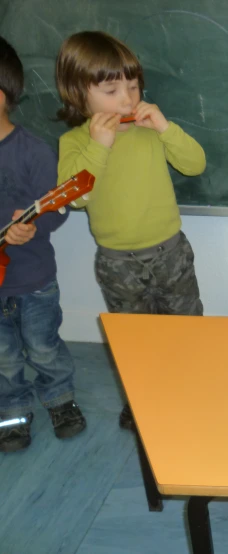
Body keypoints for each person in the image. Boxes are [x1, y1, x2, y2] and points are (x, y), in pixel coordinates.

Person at [55, 31, 206, 430]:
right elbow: (76, 198)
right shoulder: (73, 142)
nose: (127, 99)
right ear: (78, 93)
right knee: (136, 341)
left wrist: (165, 127)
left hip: (170, 252)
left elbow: (195, 164)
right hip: (117, 263)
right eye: (111, 90)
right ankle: (141, 398)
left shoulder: (149, 131)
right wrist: (98, 146)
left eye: (133, 87)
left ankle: (195, 389)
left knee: (187, 329)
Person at [0, 36, 86, 453]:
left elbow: (58, 209)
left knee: (43, 346)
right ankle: (12, 412)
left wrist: (32, 225)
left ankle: (60, 399)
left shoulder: (33, 151)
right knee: (3, 358)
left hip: (32, 278)